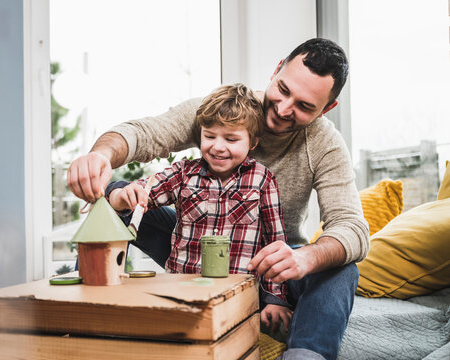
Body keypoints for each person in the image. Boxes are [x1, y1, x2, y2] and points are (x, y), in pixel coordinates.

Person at [67, 38, 370, 360]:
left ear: (327, 108)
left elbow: (352, 227)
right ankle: (77, 318)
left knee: (343, 267)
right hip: (193, 248)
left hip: (265, 262)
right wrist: (101, 155)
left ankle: (305, 354)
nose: (283, 109)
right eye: (283, 89)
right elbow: (145, 133)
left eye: (305, 106)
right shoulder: (224, 110)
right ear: (277, 69)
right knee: (119, 204)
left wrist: (305, 259)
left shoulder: (325, 145)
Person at [107, 84, 293, 329]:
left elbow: (274, 244)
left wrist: (275, 298)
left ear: (253, 142)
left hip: (237, 295)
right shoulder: (184, 173)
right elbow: (143, 192)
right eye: (210, 136)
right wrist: (123, 194)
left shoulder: (262, 180)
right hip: (181, 290)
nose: (218, 146)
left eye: (231, 138)